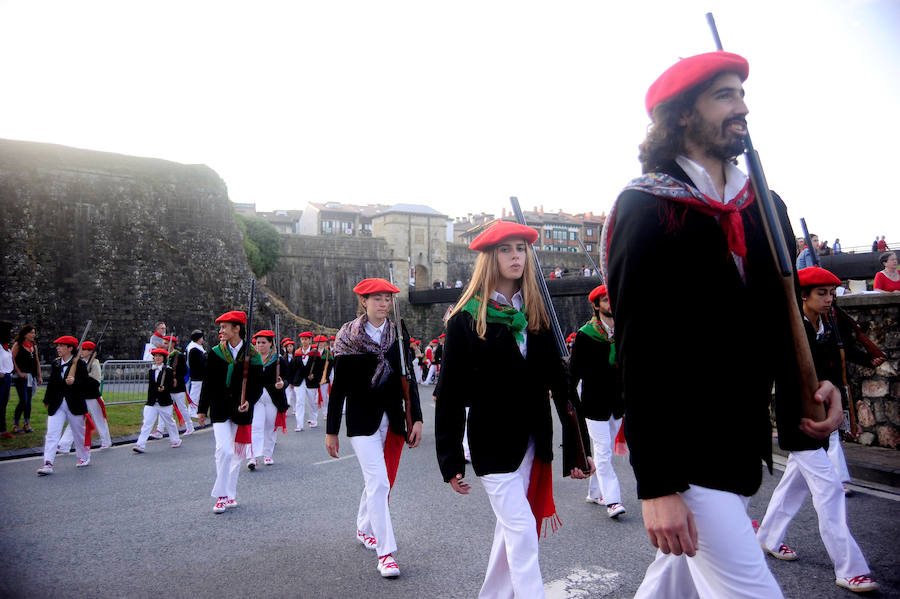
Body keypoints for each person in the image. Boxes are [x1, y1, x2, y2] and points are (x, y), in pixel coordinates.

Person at [601, 51, 843, 598]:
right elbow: (640, 352)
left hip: (737, 446)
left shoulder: (764, 204)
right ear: (682, 114)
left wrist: (810, 395)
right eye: (725, 95)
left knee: (673, 586)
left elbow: (781, 321)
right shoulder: (646, 208)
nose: (743, 107)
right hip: (684, 455)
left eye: (742, 94)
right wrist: (656, 485)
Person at [435, 220, 594, 598]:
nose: (515, 256)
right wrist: (450, 458)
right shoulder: (465, 319)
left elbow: (562, 388)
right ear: (491, 258)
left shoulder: (536, 314)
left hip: (532, 442)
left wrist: (577, 446)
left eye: (521, 248)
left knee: (511, 531)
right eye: (506, 249)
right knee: (522, 532)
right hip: (491, 444)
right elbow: (452, 393)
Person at [756, 266, 879, 593]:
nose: (829, 299)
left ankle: (767, 537)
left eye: (832, 293)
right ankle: (850, 567)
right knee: (831, 491)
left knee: (792, 488)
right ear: (803, 297)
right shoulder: (788, 330)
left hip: (824, 417)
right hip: (799, 421)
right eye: (821, 293)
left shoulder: (830, 327)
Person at [325, 277, 424, 579]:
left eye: (387, 298)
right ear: (364, 302)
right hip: (361, 421)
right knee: (379, 482)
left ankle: (363, 527)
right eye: (377, 298)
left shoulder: (398, 335)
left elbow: (409, 380)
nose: (383, 303)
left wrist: (416, 417)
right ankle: (387, 554)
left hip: (392, 418)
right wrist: (331, 430)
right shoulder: (348, 336)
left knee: (379, 481)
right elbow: (338, 388)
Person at [569, 284, 626, 518]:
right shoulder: (585, 335)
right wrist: (567, 399)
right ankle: (613, 501)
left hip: (617, 405)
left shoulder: (623, 332)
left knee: (604, 452)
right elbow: (573, 372)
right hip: (593, 405)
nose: (610, 303)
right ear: (595, 306)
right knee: (603, 452)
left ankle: (594, 492)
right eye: (605, 300)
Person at [198, 310, 263, 513]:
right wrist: (202, 409)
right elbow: (207, 383)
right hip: (219, 409)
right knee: (223, 450)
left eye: (225, 327)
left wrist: (249, 402)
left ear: (237, 329)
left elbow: (257, 385)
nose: (221, 330)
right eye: (221, 327)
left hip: (241, 410)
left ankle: (230, 494)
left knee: (236, 455)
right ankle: (221, 495)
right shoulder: (216, 353)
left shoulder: (252, 355)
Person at [37, 336, 91, 474]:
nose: (58, 348)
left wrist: (75, 381)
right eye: (58, 345)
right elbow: (52, 383)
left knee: (78, 434)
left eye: (61, 346)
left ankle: (84, 457)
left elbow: (86, 384)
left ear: (70, 348)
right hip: (57, 404)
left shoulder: (80, 364)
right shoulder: (55, 363)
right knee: (51, 434)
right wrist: (47, 400)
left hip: (75, 404)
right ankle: (48, 463)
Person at [58, 341, 111, 452]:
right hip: (81, 397)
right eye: (81, 349)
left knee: (99, 419)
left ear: (91, 352)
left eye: (85, 349)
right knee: (75, 420)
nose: (82, 352)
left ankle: (106, 441)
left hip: (93, 397)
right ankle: (64, 444)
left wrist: (84, 376)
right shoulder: (78, 362)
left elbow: (96, 382)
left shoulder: (95, 363)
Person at [247, 330, 288, 469]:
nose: (260, 345)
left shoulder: (278, 359)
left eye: (263, 342)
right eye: (258, 342)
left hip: (273, 398)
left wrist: (282, 384)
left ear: (270, 343)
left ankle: (267, 454)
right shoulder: (252, 359)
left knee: (270, 427)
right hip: (256, 398)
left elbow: (287, 377)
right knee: (256, 426)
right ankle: (252, 457)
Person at [133, 348, 182, 453]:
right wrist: (155, 391)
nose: (157, 358)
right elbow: (151, 386)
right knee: (147, 423)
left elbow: (171, 386)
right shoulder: (151, 371)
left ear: (164, 358)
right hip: (152, 402)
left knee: (170, 422)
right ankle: (140, 445)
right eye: (156, 356)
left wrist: (164, 388)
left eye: (160, 356)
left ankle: (176, 440)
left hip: (164, 402)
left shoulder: (168, 370)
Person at [11, 324, 42, 434]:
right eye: (31, 332)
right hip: (21, 377)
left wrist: (39, 376)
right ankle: (15, 425)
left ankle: (26, 424)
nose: (34, 335)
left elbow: (37, 361)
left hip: (31, 376)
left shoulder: (34, 346)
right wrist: (19, 372)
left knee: (28, 402)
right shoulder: (18, 345)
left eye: (34, 332)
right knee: (23, 400)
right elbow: (12, 359)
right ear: (25, 334)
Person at [165, 336, 195, 435]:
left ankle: (190, 426)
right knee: (164, 408)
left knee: (182, 407)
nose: (164, 345)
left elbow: (184, 371)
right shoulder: (164, 356)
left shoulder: (178, 355)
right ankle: (160, 430)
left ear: (172, 344)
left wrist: (176, 378)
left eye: (166, 343)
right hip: (167, 386)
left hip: (178, 387)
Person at [292, 331, 319, 430]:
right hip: (299, 381)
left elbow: (319, 368)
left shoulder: (315, 353)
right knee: (299, 402)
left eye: (306, 339)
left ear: (310, 340)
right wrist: (291, 381)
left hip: (311, 381)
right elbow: (293, 368)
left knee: (312, 402)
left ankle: (313, 419)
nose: (304, 341)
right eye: (302, 339)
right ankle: (299, 424)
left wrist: (314, 375)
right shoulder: (297, 352)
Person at [186, 330, 207, 420]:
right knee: (194, 393)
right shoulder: (194, 349)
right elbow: (197, 363)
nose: (202, 339)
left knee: (198, 393)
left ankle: (196, 409)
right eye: (201, 337)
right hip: (197, 375)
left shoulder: (197, 348)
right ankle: (191, 411)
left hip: (199, 375)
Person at [0, 322, 14, 439]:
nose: (11, 332)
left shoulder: (6, 347)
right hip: (2, 377)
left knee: (4, 404)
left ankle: (3, 430)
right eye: (9, 330)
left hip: (7, 377)